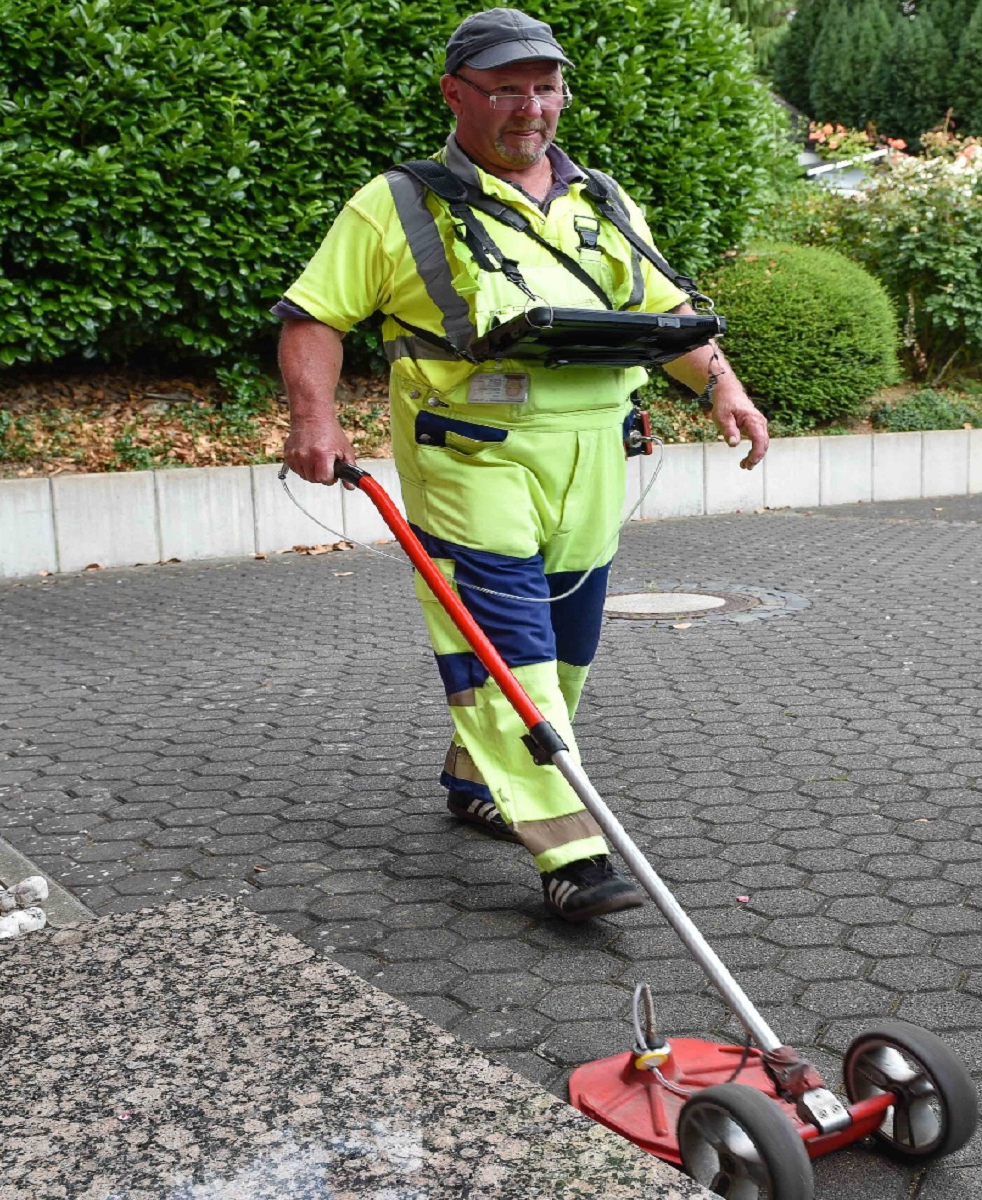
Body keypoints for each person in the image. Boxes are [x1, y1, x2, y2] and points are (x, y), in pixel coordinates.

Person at [276, 7, 768, 922]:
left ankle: (477, 782)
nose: (529, 107)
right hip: (472, 460)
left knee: (570, 648)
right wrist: (315, 418)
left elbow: (667, 317)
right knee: (511, 649)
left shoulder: (605, 200)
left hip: (594, 459)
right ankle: (572, 853)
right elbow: (314, 316)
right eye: (505, 87)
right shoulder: (396, 202)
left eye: (544, 87)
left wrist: (724, 390)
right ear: (455, 94)